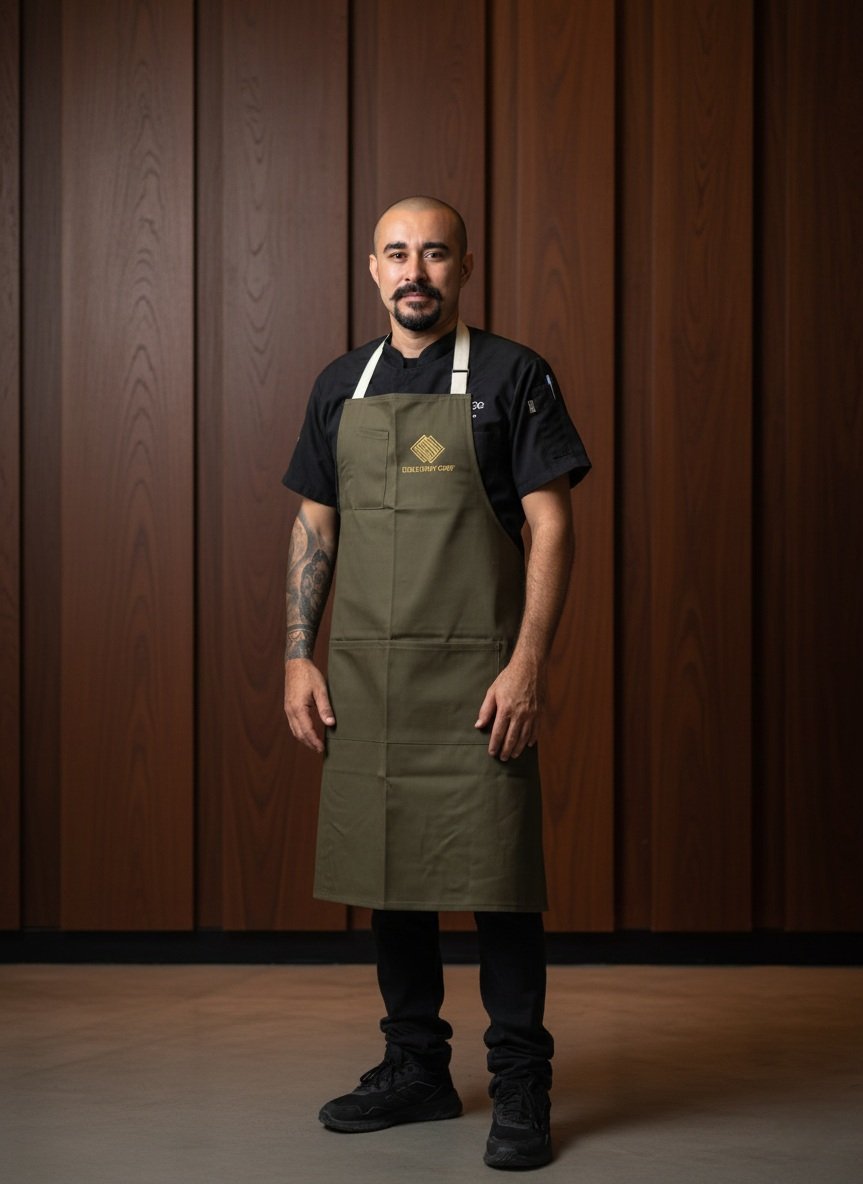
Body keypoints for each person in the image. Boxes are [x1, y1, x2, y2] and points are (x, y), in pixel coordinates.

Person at [282, 195, 590, 1170]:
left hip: (479, 678)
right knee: (390, 874)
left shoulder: (513, 374)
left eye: (435, 253)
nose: (415, 271)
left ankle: (521, 1080)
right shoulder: (341, 384)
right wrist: (296, 652)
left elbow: (551, 524)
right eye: (397, 253)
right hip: (369, 678)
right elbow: (316, 522)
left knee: (500, 882)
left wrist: (528, 663)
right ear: (374, 269)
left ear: (463, 267)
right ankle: (416, 1066)